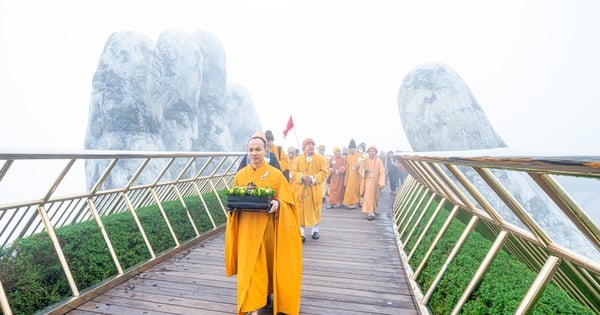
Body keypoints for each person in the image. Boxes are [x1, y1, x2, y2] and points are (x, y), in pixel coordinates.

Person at [224, 131, 303, 315]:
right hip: (246, 230)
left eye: (258, 149)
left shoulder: (276, 175)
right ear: (247, 152)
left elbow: (289, 202)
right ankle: (253, 307)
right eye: (250, 150)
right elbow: (235, 199)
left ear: (265, 150)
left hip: (267, 231)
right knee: (249, 269)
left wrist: (279, 203)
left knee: (265, 267)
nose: (254, 153)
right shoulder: (241, 175)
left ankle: (264, 298)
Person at [290, 138, 328, 242]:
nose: (311, 146)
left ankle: (315, 230)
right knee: (300, 211)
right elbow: (293, 171)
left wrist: (313, 178)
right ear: (304, 147)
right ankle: (301, 233)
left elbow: (324, 172)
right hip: (301, 190)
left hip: (314, 189)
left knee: (315, 209)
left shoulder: (320, 159)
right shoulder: (298, 159)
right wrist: (301, 176)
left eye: (312, 144)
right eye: (308, 144)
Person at [359, 145, 386, 220]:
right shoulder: (365, 160)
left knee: (374, 196)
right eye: (370, 151)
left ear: (375, 152)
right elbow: (361, 170)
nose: (371, 153)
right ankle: (370, 212)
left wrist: (381, 183)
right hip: (367, 182)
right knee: (368, 196)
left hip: (375, 182)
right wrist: (365, 170)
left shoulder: (379, 161)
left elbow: (382, 172)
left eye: (373, 151)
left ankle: (372, 210)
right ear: (368, 152)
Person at [342, 139, 363, 209]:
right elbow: (346, 165)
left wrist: (357, 166)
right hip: (349, 175)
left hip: (356, 175)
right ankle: (349, 202)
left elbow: (361, 164)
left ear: (355, 149)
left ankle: (355, 203)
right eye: (350, 149)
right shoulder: (348, 156)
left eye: (353, 148)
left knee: (355, 189)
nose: (351, 150)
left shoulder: (359, 155)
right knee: (349, 189)